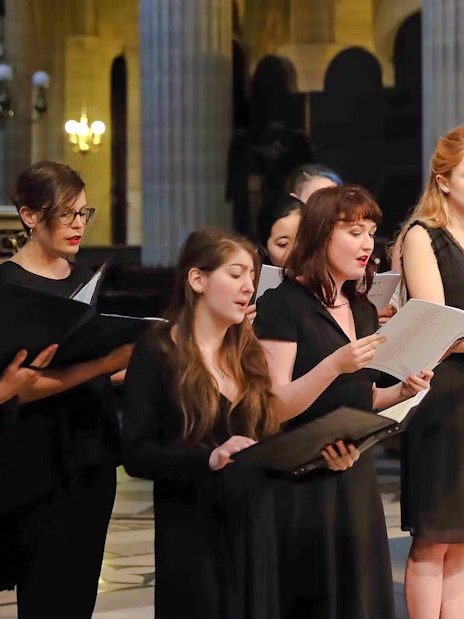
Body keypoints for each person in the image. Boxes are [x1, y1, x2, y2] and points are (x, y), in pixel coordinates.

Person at [122, 227, 392, 619]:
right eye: (235, 274)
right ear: (197, 279)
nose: (248, 286)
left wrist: (323, 459)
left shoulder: (247, 350)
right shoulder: (158, 350)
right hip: (194, 533)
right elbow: (136, 453)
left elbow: (272, 438)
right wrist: (209, 459)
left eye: (251, 275)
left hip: (260, 525)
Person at [254, 184, 432, 619]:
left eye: (371, 231)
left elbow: (360, 396)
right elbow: (274, 405)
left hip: (353, 468)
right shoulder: (282, 304)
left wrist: (399, 392)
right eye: (353, 231)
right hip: (300, 477)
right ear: (319, 234)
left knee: (360, 598)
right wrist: (333, 365)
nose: (367, 243)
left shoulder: (362, 308)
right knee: (313, 598)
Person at [0, 160, 132, 618]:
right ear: (30, 215)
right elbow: (18, 386)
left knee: (75, 600)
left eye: (83, 213)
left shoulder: (85, 282)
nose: (78, 225)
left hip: (91, 456)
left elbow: (105, 368)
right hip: (30, 460)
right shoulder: (7, 285)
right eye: (66, 214)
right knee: (42, 597)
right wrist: (105, 363)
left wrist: (139, 361)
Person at [397, 126, 464, 619]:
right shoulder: (423, 236)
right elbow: (435, 326)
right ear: (443, 180)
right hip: (443, 394)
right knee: (434, 538)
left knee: (463, 540)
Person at [256, 193, 304, 267]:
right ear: (264, 247)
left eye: (302, 240)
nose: (295, 251)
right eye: (283, 244)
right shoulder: (250, 277)